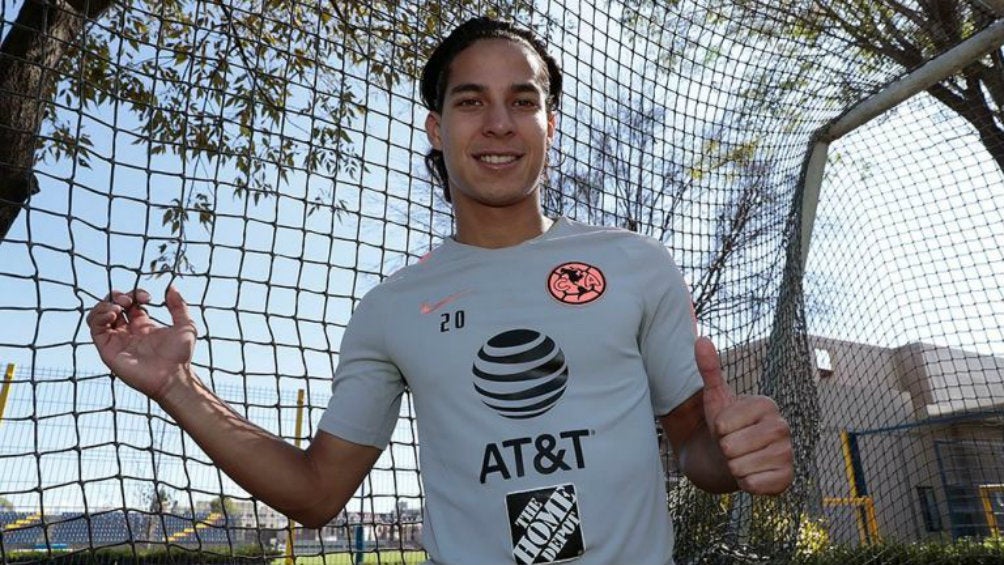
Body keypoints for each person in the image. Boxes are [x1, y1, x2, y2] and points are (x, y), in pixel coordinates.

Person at [87, 17, 793, 565]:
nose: (498, 123)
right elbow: (316, 493)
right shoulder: (391, 309)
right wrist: (179, 386)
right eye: (471, 101)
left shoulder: (636, 264)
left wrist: (734, 453)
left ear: (549, 125)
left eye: (522, 101)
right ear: (436, 126)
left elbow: (696, 449)